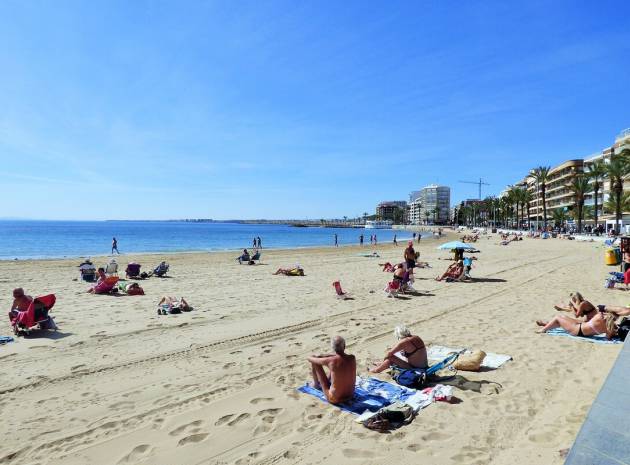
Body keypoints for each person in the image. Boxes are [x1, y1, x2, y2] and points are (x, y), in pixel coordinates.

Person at [308, 336, 356, 404]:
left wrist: (319, 356)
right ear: (344, 346)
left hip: (334, 399)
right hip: (350, 395)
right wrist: (325, 355)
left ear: (333, 348)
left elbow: (309, 358)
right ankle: (325, 382)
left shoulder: (331, 360)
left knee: (315, 362)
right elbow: (338, 356)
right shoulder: (352, 358)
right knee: (335, 367)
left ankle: (316, 384)